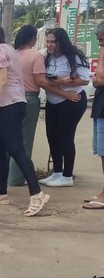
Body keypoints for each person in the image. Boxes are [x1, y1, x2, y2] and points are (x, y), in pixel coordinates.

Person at [0, 22, 50, 217]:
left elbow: (1, 80)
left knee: (16, 149)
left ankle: (37, 193)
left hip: (6, 105)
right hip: (6, 105)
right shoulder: (7, 49)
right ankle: (1, 192)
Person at [9, 25, 81, 186]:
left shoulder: (12, 55)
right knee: (25, 141)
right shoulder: (35, 56)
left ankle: (6, 176)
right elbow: (41, 82)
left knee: (11, 138)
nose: (48, 44)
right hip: (29, 99)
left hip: (11, 99)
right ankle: (17, 178)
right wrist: (66, 94)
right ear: (33, 39)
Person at [40, 28, 90, 187]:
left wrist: (61, 82)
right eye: (48, 41)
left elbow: (84, 80)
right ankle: (57, 172)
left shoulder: (74, 57)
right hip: (53, 101)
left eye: (53, 41)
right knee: (52, 136)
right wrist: (59, 88)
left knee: (65, 137)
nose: (49, 45)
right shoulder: (47, 57)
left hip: (72, 101)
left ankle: (67, 175)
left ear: (61, 42)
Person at [85, 21, 104, 210]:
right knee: (102, 152)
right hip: (101, 104)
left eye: (102, 41)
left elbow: (100, 76)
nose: (100, 46)